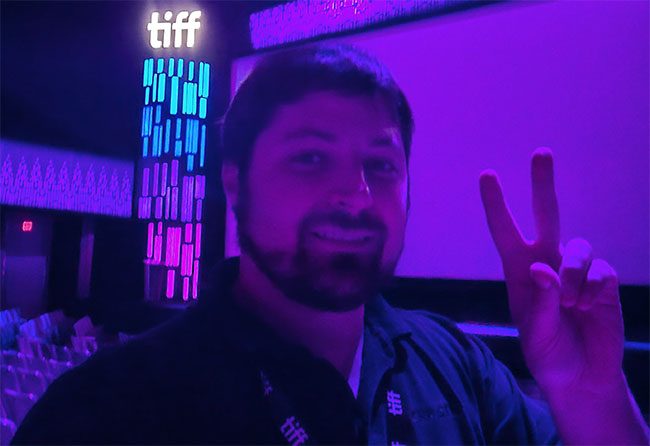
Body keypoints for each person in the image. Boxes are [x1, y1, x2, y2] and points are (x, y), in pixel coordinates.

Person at [12, 44, 648, 445]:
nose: (358, 195)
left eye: (383, 163)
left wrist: (587, 390)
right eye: (311, 158)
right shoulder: (107, 412)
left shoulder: (457, 366)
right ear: (235, 184)